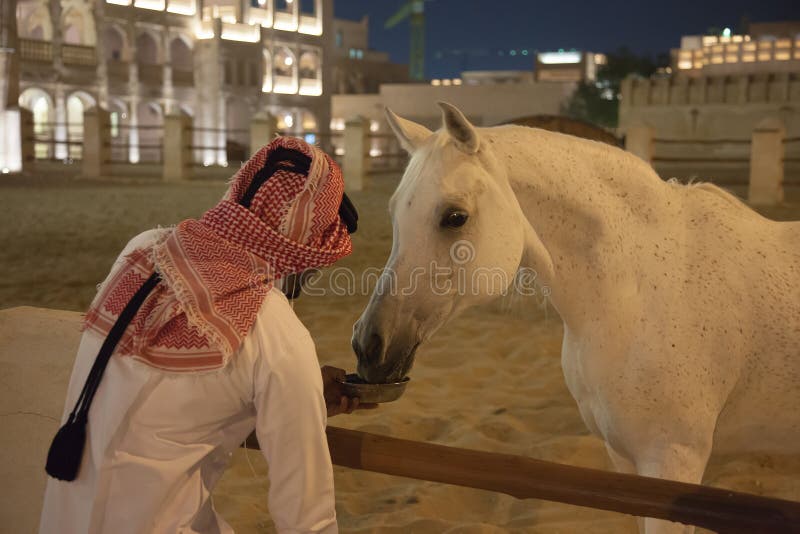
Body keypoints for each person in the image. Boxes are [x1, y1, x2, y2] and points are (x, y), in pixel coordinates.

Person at [40, 137, 372, 533]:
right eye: (312, 264)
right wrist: (294, 391)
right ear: (297, 253)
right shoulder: (274, 330)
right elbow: (307, 519)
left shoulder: (144, 249)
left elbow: (179, 404)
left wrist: (302, 395)